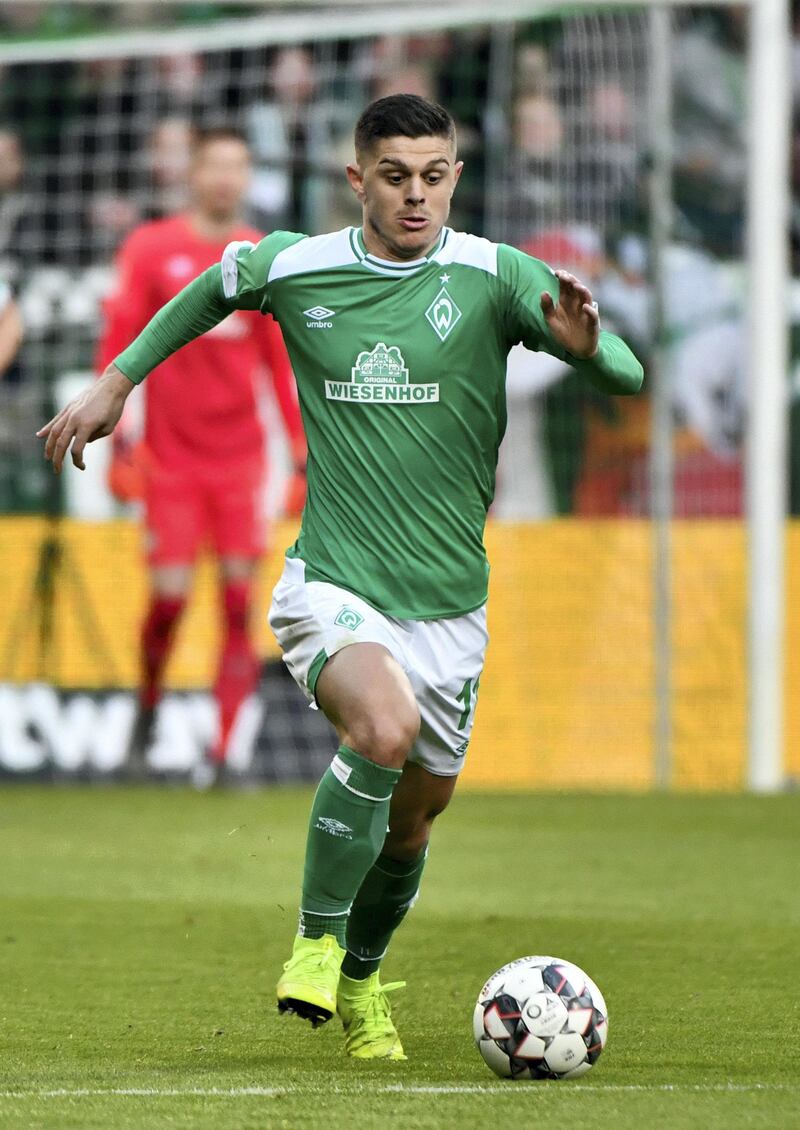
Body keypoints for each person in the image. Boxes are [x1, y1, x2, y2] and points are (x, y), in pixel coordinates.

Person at [39, 95, 642, 1058]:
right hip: (334, 581)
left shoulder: (492, 274)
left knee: (413, 828)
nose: (417, 196)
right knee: (383, 727)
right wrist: (118, 380)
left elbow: (626, 373)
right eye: (395, 176)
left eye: (434, 176)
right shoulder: (297, 263)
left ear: (455, 175)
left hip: (451, 606)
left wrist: (588, 352)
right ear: (356, 178)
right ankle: (315, 944)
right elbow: (211, 288)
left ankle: (361, 981)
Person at [95, 125, 305, 783]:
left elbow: (280, 362)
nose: (225, 178)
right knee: (169, 601)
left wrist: (301, 452)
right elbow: (120, 340)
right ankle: (149, 703)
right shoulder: (152, 247)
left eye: (237, 167)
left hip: (241, 461)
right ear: (192, 172)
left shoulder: (260, 257)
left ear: (247, 177)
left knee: (240, 604)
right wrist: (118, 433)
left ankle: (223, 752)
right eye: (214, 164)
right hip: (171, 460)